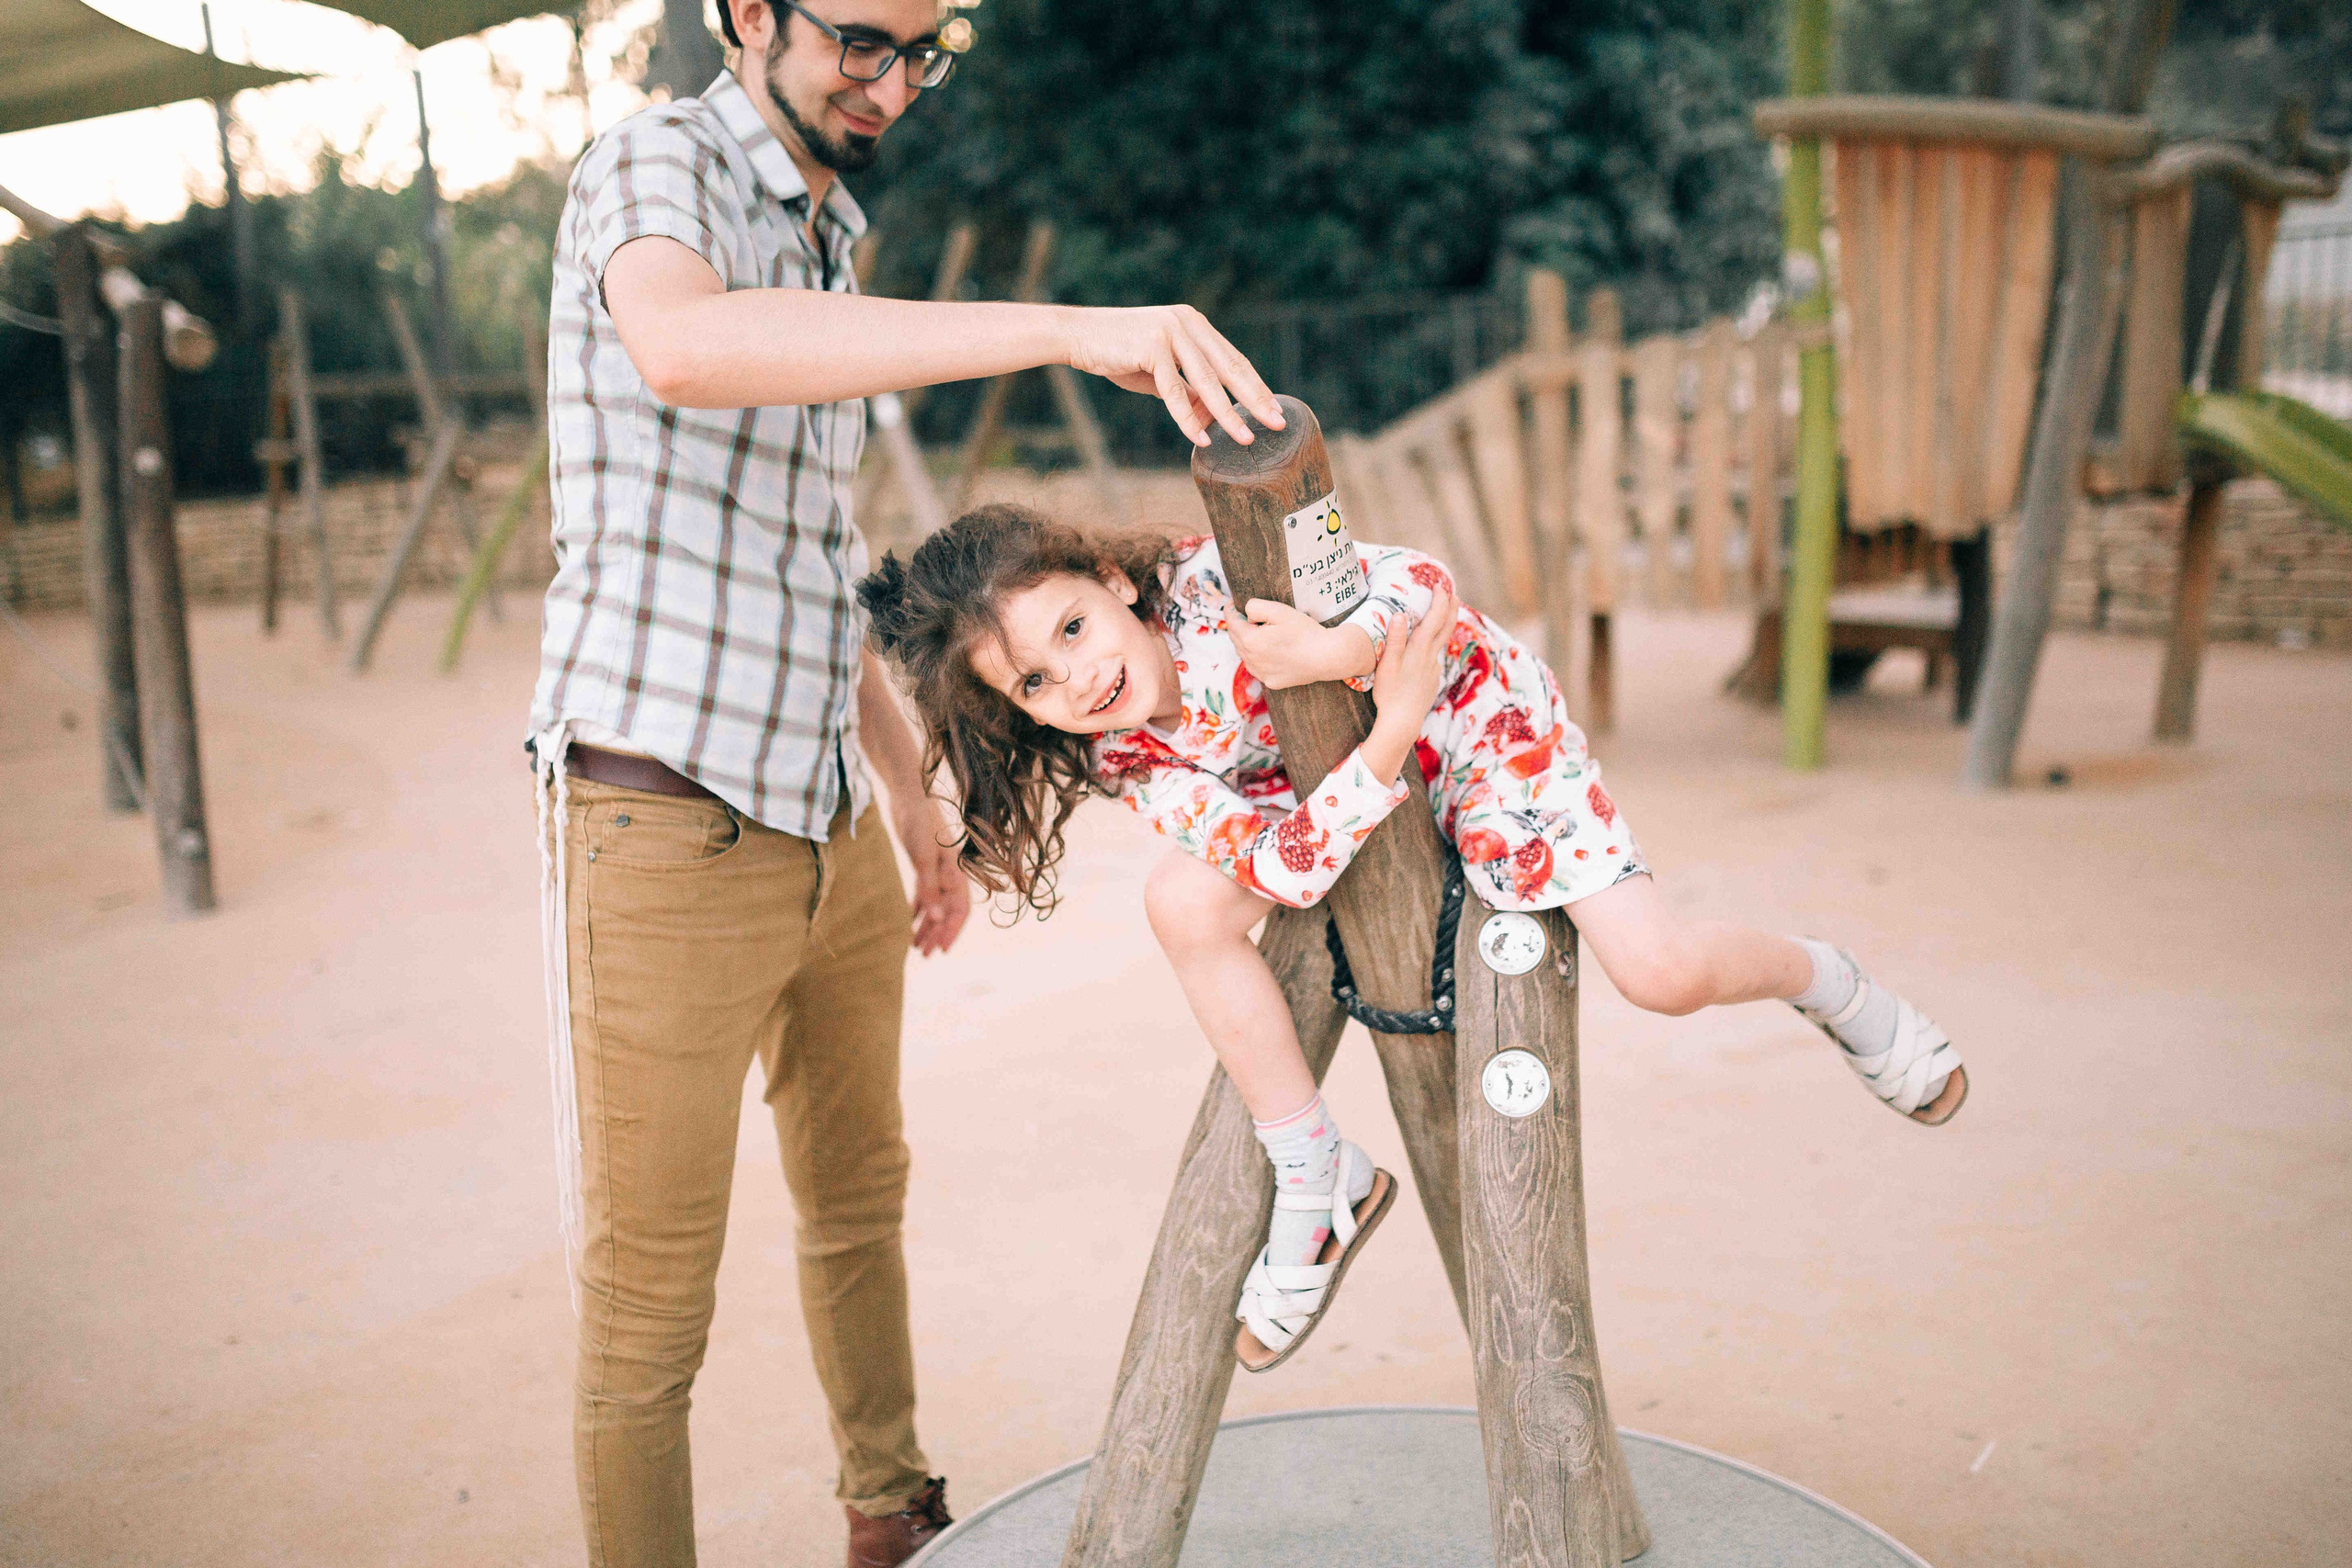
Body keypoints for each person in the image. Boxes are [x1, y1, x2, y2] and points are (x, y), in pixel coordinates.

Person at [527, 0, 1283, 1562]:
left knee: (859, 1197)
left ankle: (890, 1507)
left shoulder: (827, 239)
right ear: (751, 13)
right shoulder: (656, 163)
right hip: (656, 817)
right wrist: (1067, 326)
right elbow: (683, 347)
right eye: (864, 42)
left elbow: (809, 562)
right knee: (648, 1306)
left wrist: (909, 792)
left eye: (926, 52)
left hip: (821, 812)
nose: (894, 84)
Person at [855, 505, 1969, 1370]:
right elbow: (1284, 867)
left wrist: (1337, 648)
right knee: (1179, 902)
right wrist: (1383, 731)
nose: (1079, 676)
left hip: (1479, 739)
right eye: (1036, 681)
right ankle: (1316, 1173)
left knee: (1661, 973)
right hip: (1356, 779)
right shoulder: (1126, 755)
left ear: (1111, 581)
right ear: (1020, 711)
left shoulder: (1221, 580)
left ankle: (1830, 982)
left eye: (1072, 629)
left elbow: (1423, 586)